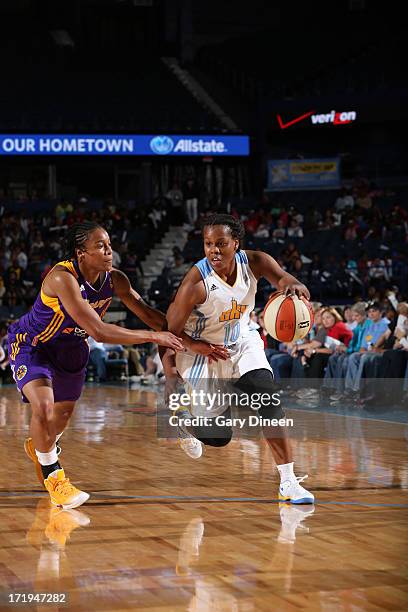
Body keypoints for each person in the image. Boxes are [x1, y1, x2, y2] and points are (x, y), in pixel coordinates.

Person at [7, 222, 188, 511]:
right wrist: (154, 337)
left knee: (62, 416)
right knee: (43, 406)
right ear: (81, 253)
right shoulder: (61, 278)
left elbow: (149, 316)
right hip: (35, 345)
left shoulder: (115, 279)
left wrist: (187, 337)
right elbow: (98, 330)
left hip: (72, 349)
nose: (108, 251)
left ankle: (40, 445)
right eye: (100, 246)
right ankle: (54, 479)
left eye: (109, 244)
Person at [163, 214, 314, 504]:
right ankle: (187, 423)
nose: (213, 250)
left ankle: (288, 481)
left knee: (266, 397)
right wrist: (182, 362)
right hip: (201, 352)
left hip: (242, 340)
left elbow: (283, 277)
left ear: (236, 243)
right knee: (219, 436)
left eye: (221, 243)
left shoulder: (255, 261)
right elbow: (169, 334)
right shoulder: (195, 283)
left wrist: (292, 284)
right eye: (208, 244)